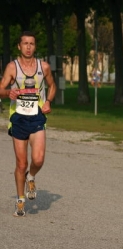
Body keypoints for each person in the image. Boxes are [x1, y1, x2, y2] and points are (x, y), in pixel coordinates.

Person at [0, 31, 57, 217]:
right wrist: (9, 92)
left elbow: (52, 86)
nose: (28, 47)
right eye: (25, 43)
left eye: (31, 43)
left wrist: (48, 101)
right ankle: (20, 199)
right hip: (18, 118)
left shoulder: (44, 67)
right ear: (19, 46)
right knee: (21, 163)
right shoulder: (12, 67)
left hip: (37, 117)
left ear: (35, 46)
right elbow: (1, 88)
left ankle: (31, 177)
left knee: (38, 159)